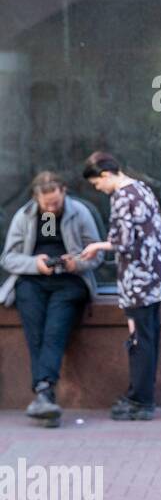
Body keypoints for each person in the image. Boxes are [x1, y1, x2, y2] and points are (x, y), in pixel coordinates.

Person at [77, 152, 161, 421]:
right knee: (148, 337)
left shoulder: (121, 197)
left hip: (137, 280)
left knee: (139, 340)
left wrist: (96, 246)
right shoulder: (141, 188)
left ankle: (140, 401)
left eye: (97, 184)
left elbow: (123, 242)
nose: (98, 189)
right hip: (156, 276)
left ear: (105, 175)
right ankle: (142, 396)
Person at [1, 172, 104, 422]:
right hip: (33, 282)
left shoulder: (79, 213)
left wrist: (74, 263)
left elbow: (97, 255)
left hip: (69, 283)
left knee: (54, 331)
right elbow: (8, 258)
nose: (51, 208)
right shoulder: (27, 216)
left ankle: (43, 394)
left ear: (64, 192)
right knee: (36, 333)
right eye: (46, 204)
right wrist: (36, 264)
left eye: (55, 203)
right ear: (36, 197)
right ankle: (45, 394)